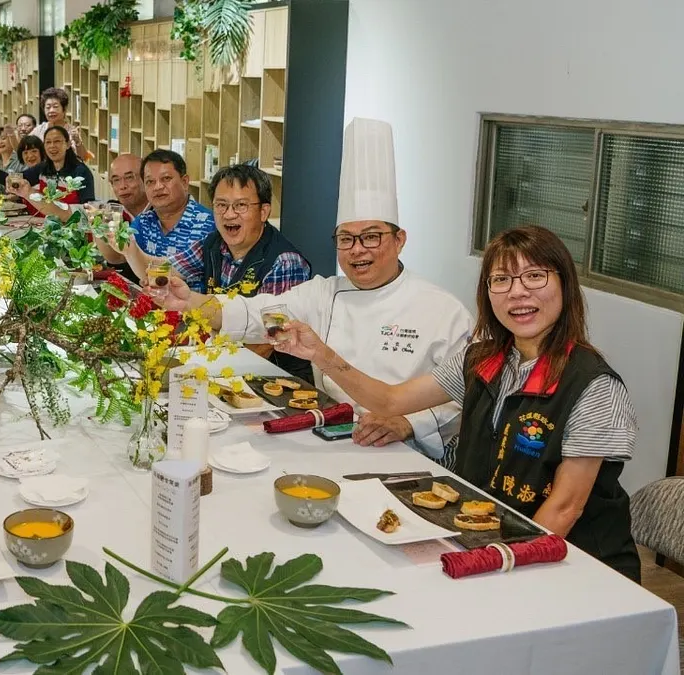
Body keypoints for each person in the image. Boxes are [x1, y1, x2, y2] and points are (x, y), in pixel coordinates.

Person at [273, 225, 640, 581]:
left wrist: (496, 568)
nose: (518, 293)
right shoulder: (483, 358)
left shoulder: (594, 385)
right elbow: (390, 399)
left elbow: (564, 509)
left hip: (572, 565)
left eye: (534, 276)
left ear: (565, 285)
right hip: (488, 537)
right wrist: (320, 355)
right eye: (502, 280)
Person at [162, 118, 471, 461]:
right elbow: (254, 313)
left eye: (371, 237)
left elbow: (465, 399)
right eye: (346, 239)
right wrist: (190, 300)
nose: (357, 250)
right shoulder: (323, 293)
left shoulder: (444, 311)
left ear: (399, 240)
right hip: (324, 430)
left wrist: (408, 423)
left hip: (404, 450)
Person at [114, 164, 312, 379]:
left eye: (241, 206)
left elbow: (270, 342)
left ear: (263, 211)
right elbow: (163, 273)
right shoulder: (214, 243)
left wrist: (203, 371)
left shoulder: (284, 262)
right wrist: (130, 249)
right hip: (222, 363)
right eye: (221, 205)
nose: (229, 214)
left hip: (273, 380)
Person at [97, 149, 214, 261]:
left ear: (184, 182)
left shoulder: (208, 224)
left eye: (166, 178)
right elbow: (118, 256)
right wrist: (97, 225)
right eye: (150, 182)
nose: (157, 187)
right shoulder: (144, 221)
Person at [7, 125, 96, 221]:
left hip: (72, 230)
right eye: (48, 142)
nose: (52, 146)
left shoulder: (81, 172)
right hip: (43, 226)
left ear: (68, 144)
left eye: (57, 141)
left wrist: (29, 193)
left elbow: (88, 212)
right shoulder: (43, 168)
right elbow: (18, 180)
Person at [30, 87, 93, 162]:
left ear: (64, 109)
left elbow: (83, 158)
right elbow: (23, 148)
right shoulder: (39, 129)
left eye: (55, 107)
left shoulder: (72, 131)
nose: (51, 110)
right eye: (48, 107)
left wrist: (77, 142)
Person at [106, 153, 149, 220]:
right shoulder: (110, 214)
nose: (122, 186)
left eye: (129, 177)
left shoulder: (162, 213)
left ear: (145, 179)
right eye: (116, 180)